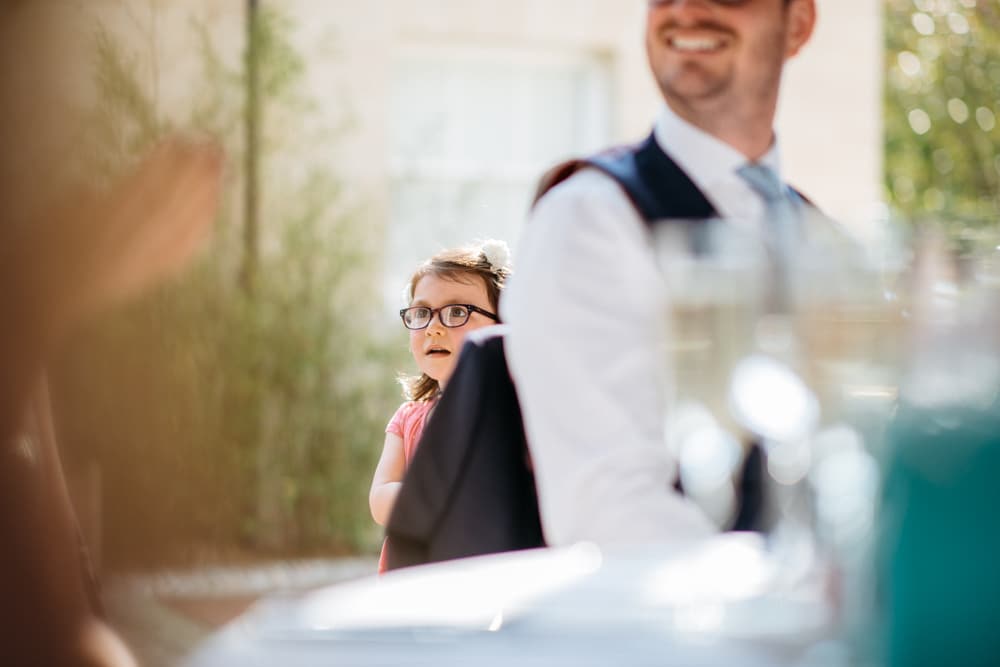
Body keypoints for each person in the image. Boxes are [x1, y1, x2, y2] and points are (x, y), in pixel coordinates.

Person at [501, 0, 818, 546]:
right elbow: (615, 518)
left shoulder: (819, 238)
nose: (688, 11)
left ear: (798, 23)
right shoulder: (589, 218)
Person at [369, 239, 512, 573]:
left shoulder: (507, 416)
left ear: (502, 323)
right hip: (410, 579)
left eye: (457, 312)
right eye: (422, 313)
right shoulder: (408, 418)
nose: (433, 326)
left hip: (476, 575)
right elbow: (380, 498)